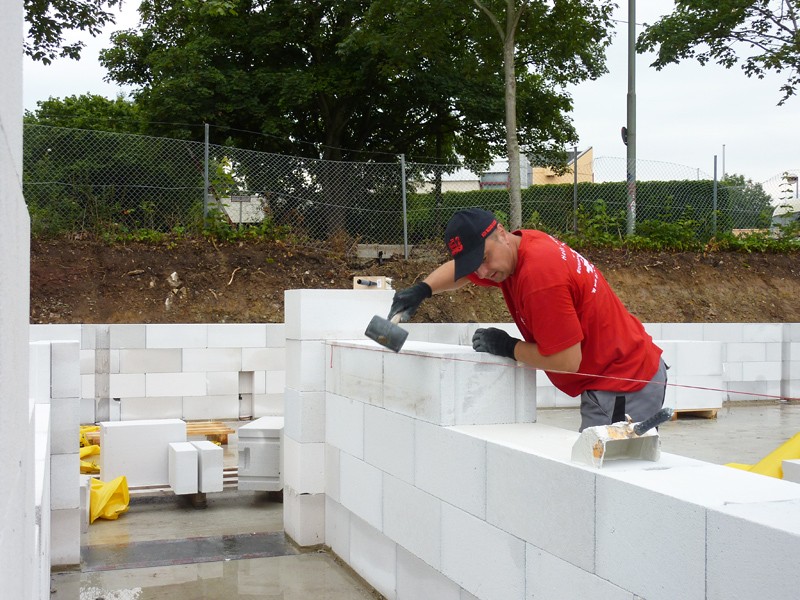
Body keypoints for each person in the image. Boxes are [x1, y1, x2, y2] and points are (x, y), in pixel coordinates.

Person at [388, 207, 667, 432]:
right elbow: (461, 272)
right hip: (619, 372)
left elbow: (567, 361)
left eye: (483, 259)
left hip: (625, 382)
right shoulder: (520, 247)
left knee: (606, 476)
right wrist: (423, 289)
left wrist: (508, 347)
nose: (481, 273)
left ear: (501, 233)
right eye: (474, 265)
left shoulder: (539, 278)